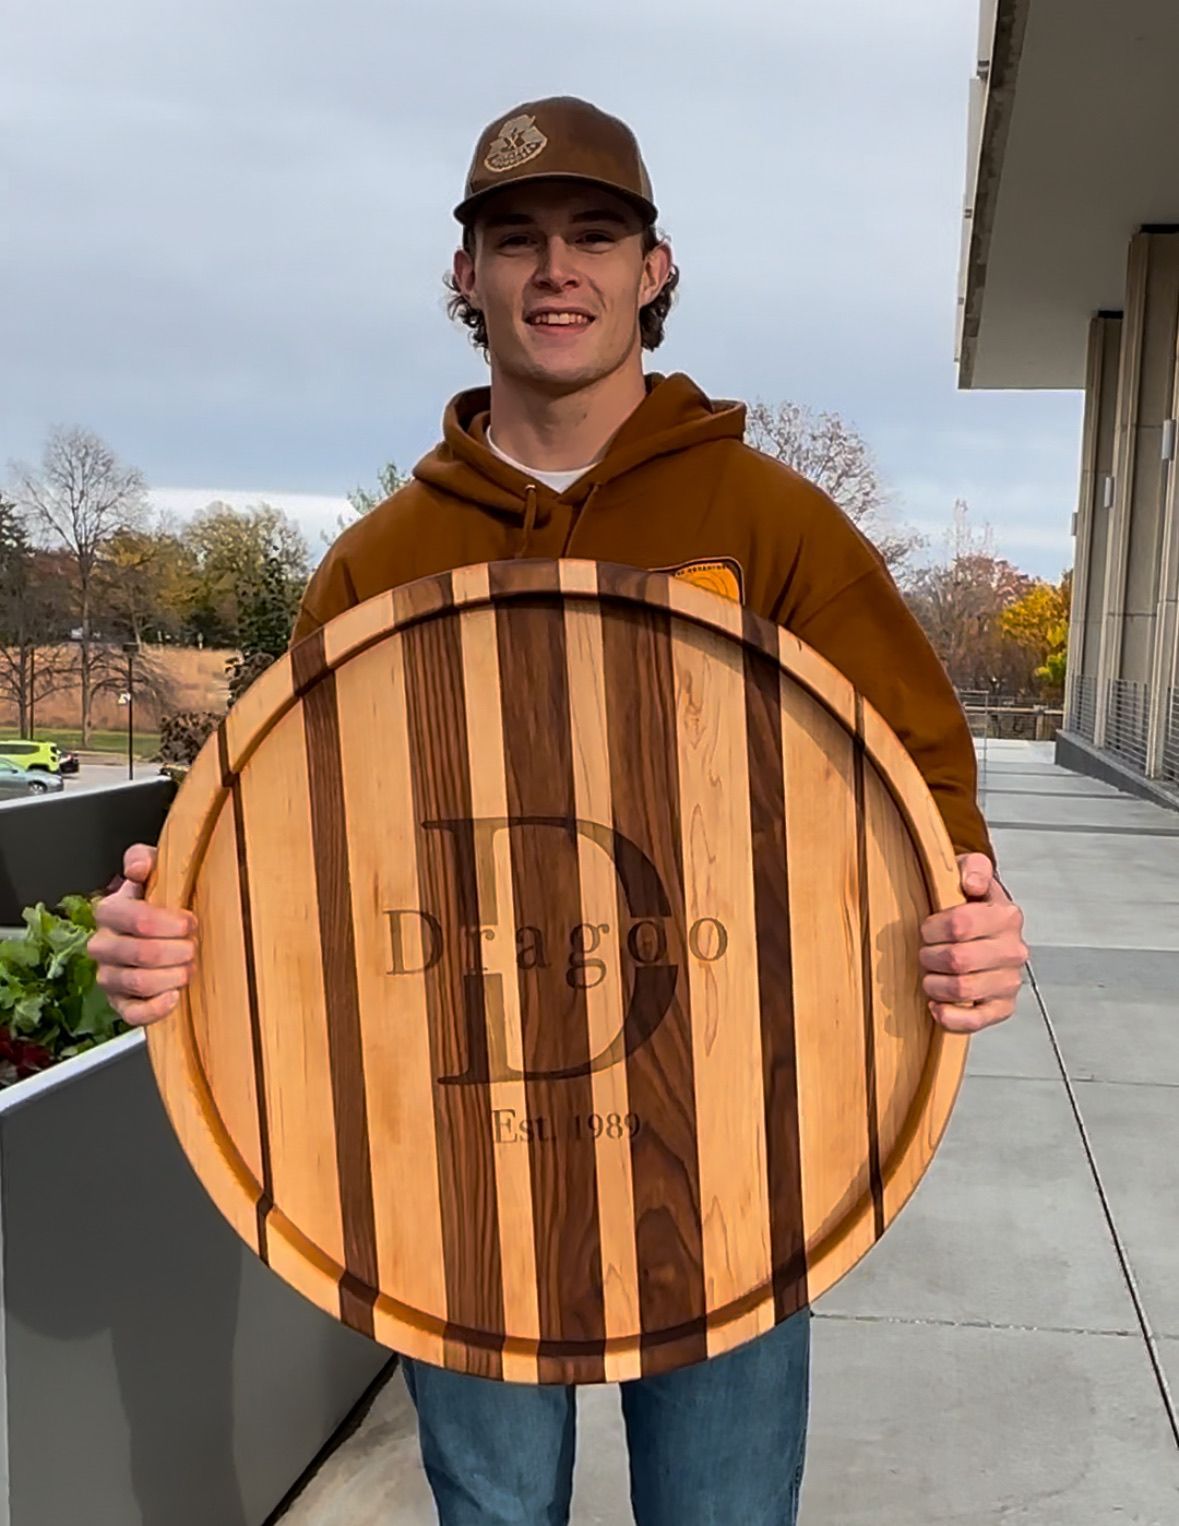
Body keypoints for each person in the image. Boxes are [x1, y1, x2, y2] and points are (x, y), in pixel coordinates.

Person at [88, 96, 1030, 1526]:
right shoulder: (383, 561)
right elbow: (276, 835)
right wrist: (172, 941)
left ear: (655, 266)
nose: (557, 270)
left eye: (595, 234)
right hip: (455, 1163)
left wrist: (970, 917)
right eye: (516, 240)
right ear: (465, 276)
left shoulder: (773, 526)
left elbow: (919, 785)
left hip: (738, 1140)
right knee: (492, 1512)